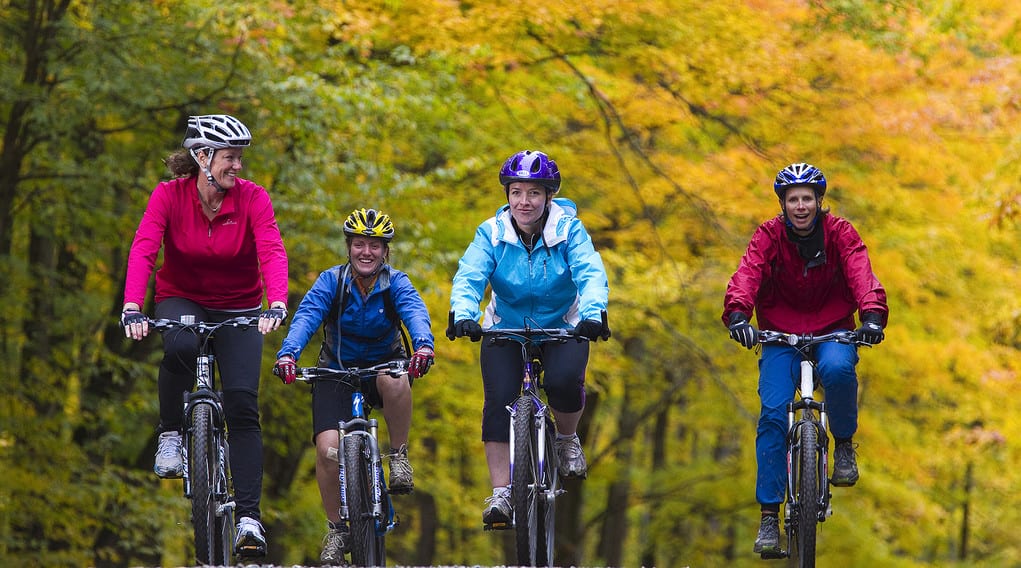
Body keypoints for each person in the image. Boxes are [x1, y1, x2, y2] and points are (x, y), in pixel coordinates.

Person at [120, 114, 288, 558]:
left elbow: (271, 248)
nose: (237, 165)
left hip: (240, 305)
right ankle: (172, 433)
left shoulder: (254, 199)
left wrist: (276, 302)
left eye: (239, 158)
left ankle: (249, 518)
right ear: (203, 157)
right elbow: (144, 247)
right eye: (230, 157)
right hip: (183, 298)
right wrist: (133, 306)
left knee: (241, 404)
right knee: (179, 344)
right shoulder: (168, 196)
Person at [722, 162, 888, 555]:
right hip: (779, 333)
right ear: (783, 204)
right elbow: (748, 273)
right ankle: (768, 516)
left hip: (833, 328)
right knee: (773, 412)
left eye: (807, 199)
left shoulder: (840, 233)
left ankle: (844, 444)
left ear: (819, 202)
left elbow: (860, 272)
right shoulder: (768, 235)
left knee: (838, 368)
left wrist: (872, 315)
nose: (800, 206)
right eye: (793, 199)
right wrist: (738, 315)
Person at [448, 149, 610, 526]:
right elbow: (470, 274)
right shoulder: (491, 233)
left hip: (563, 323)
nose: (524, 201)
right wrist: (463, 315)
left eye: (534, 193)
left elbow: (590, 271)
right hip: (505, 324)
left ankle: (567, 438)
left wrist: (593, 314)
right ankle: (502, 493)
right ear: (506, 195)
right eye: (516, 191)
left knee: (563, 381)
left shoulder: (569, 230)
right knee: (498, 400)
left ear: (548, 196)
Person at [272, 208, 434, 566]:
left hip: (381, 368)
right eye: (359, 244)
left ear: (385, 252)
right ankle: (336, 530)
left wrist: (423, 345)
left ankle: (399, 456)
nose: (366, 252)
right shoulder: (331, 282)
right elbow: (307, 317)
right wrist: (288, 355)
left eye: (374, 246)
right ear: (348, 247)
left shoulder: (397, 283)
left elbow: (415, 312)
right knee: (328, 448)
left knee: (396, 378)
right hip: (336, 371)